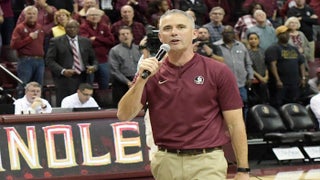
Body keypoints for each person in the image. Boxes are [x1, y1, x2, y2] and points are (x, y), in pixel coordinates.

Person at [117, 9, 249, 180]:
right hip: (165, 161)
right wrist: (140, 81)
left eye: (181, 27)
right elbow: (124, 115)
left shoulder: (218, 71)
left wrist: (243, 170)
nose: (174, 32)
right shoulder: (150, 72)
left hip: (207, 161)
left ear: (194, 34)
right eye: (167, 28)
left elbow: (235, 124)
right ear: (160, 37)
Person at [46, 19, 98, 106]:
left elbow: (94, 59)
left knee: (85, 104)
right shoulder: (55, 41)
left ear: (78, 29)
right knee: (65, 104)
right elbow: (49, 60)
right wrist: (63, 71)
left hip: (84, 77)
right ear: (65, 29)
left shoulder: (86, 41)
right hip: (65, 79)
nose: (72, 29)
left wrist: (94, 67)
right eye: (69, 27)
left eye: (74, 27)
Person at [218, 25, 254, 121]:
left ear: (234, 34)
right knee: (225, 108)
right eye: (226, 33)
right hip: (223, 85)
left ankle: (243, 129)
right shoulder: (216, 46)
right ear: (222, 34)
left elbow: (248, 63)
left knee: (243, 106)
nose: (228, 35)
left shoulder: (241, 45)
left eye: (230, 33)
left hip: (241, 84)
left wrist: (250, 76)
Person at [265, 25, 306, 108]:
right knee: (278, 105)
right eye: (284, 33)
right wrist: (278, 80)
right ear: (278, 35)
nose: (287, 35)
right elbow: (272, 65)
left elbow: (301, 63)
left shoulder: (294, 48)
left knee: (294, 104)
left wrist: (303, 78)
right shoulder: (273, 48)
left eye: (287, 33)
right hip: (281, 83)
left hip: (294, 82)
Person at [10, 6, 46, 97]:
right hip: (26, 60)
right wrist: (29, 38)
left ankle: (37, 107)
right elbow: (13, 45)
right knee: (23, 85)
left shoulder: (40, 27)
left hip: (40, 60)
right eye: (29, 13)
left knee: (38, 86)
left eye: (34, 14)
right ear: (24, 15)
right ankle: (21, 108)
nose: (31, 15)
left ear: (37, 16)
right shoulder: (20, 28)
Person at [79, 7, 115, 90]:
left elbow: (111, 41)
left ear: (100, 17)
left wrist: (96, 38)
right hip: (89, 61)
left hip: (103, 60)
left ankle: (104, 102)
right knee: (88, 85)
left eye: (96, 15)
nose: (94, 17)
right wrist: (103, 41)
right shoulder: (83, 27)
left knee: (105, 83)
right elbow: (86, 42)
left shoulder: (104, 27)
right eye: (92, 15)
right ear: (87, 17)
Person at [109, 26, 141, 108]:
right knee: (122, 107)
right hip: (121, 83)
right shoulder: (114, 51)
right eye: (122, 34)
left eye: (127, 33)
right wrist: (128, 82)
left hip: (137, 81)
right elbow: (114, 71)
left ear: (132, 36)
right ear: (119, 37)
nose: (125, 36)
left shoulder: (139, 49)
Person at [247, 32, 269, 105]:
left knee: (265, 100)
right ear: (248, 40)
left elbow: (266, 64)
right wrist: (260, 78)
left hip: (264, 79)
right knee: (256, 101)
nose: (253, 40)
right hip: (254, 80)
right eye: (251, 39)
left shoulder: (263, 51)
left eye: (255, 39)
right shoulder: (247, 52)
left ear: (258, 40)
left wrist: (266, 76)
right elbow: (249, 66)